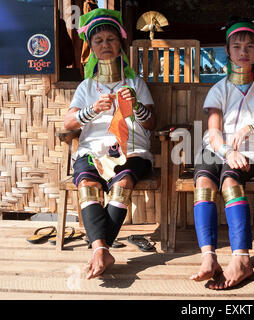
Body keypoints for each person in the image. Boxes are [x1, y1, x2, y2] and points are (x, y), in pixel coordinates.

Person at [190, 18, 254, 289]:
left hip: (253, 153)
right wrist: (227, 150)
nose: (243, 52)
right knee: (204, 183)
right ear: (227, 51)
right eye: (237, 46)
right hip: (217, 148)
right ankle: (209, 258)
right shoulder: (219, 89)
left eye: (250, 46)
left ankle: (242, 258)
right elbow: (214, 130)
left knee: (230, 182)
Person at [64, 8, 155, 279]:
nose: (105, 44)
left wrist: (136, 105)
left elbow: (150, 123)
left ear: (120, 45)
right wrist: (90, 110)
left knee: (123, 184)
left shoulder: (135, 83)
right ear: (91, 48)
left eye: (111, 39)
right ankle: (102, 248)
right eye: (98, 40)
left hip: (131, 150)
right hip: (92, 150)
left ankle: (98, 249)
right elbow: (68, 123)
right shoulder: (87, 86)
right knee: (87, 185)